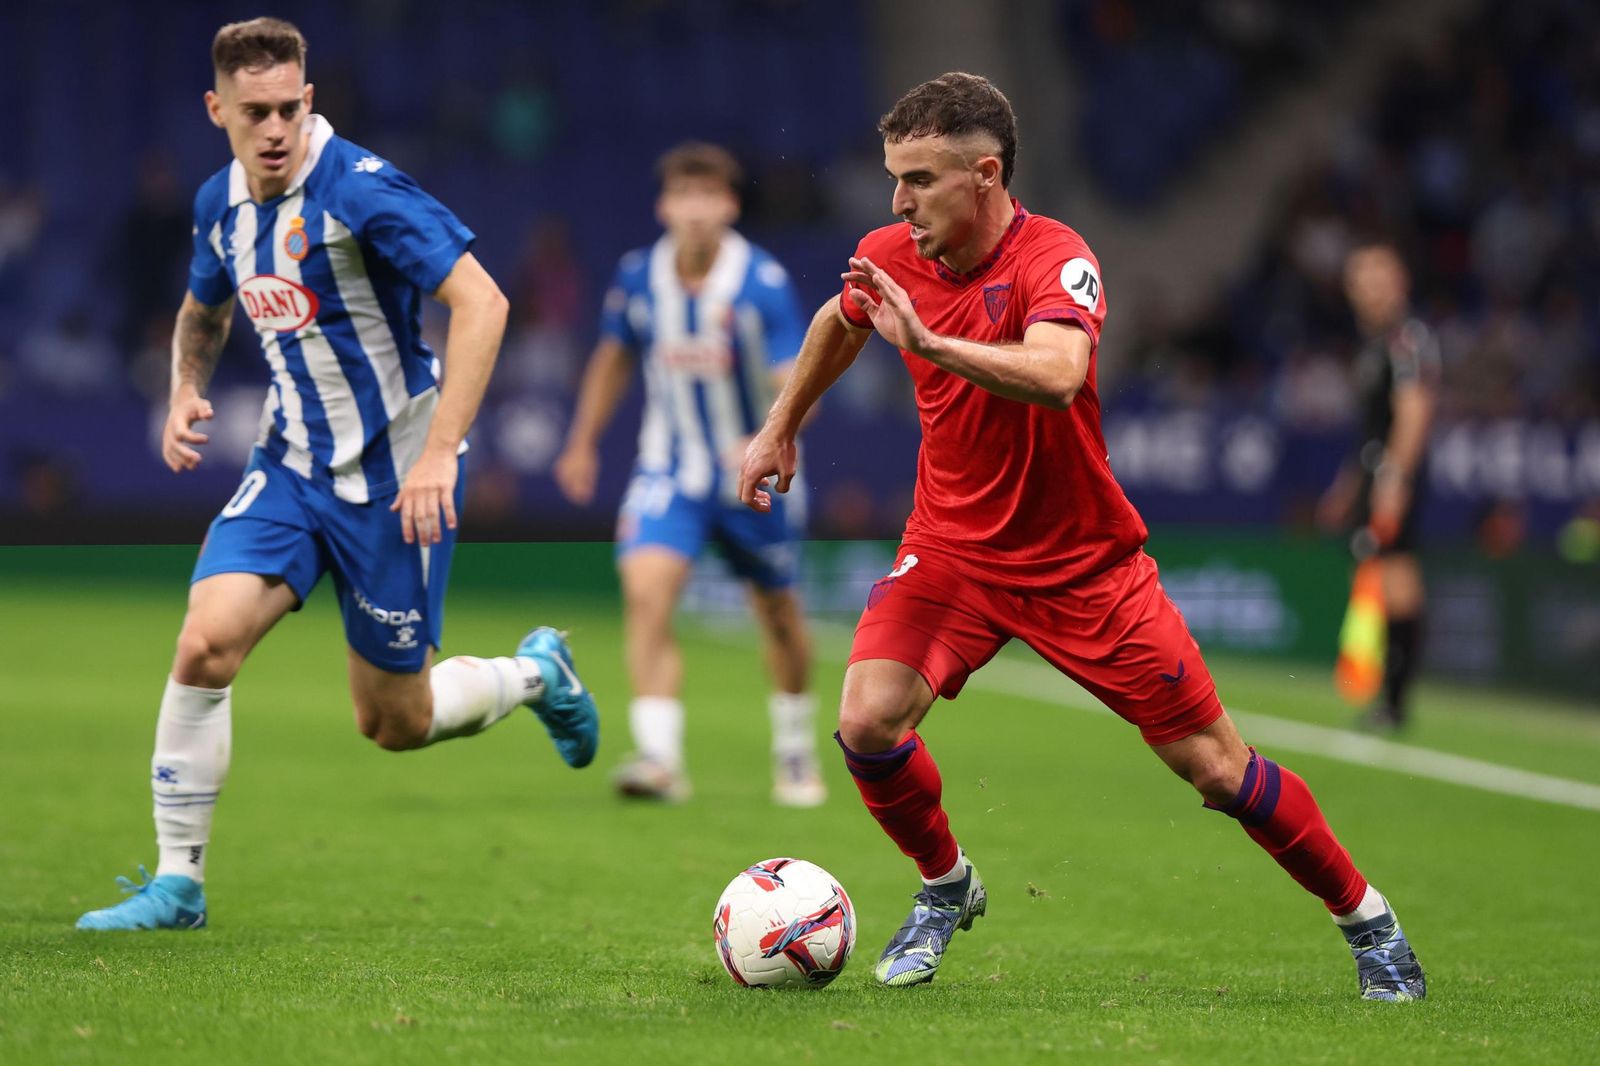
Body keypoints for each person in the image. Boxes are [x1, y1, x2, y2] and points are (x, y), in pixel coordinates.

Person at [738, 72, 1425, 1000]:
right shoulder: (892, 254)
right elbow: (840, 317)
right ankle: (947, 888)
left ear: (985, 175)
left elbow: (1059, 373)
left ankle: (1368, 921)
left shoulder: (1055, 259)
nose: (899, 202)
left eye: (921, 180)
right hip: (953, 553)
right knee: (865, 721)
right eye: (894, 179)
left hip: (1082, 569)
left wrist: (931, 345)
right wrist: (783, 425)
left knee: (1218, 771)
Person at [76, 17, 599, 932]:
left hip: (398, 479)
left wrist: (439, 450)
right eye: (254, 113)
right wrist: (183, 390)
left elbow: (484, 301)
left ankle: (534, 675)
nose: (274, 129)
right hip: (290, 466)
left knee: (393, 722)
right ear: (217, 109)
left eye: (288, 108)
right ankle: (178, 883)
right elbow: (204, 307)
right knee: (204, 643)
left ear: (308, 101)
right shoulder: (217, 204)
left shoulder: (361, 190)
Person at [554, 143, 822, 806]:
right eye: (685, 197)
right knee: (646, 590)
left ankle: (794, 745)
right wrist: (582, 441)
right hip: (669, 469)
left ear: (730, 206)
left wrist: (771, 436)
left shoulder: (761, 281)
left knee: (779, 615)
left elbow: (798, 379)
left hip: (751, 475)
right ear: (664, 206)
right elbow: (614, 357)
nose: (697, 211)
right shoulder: (639, 276)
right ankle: (659, 758)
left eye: (710, 197)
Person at [1317, 241, 1438, 731]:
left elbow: (1413, 411)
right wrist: (1349, 486)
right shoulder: (1374, 344)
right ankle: (1386, 695)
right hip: (1373, 471)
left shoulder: (1408, 338)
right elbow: (1369, 426)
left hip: (1393, 473)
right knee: (1375, 578)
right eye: (1360, 280)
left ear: (1399, 283)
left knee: (1397, 579)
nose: (1369, 290)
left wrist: (1394, 477)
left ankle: (1395, 701)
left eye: (1378, 279)